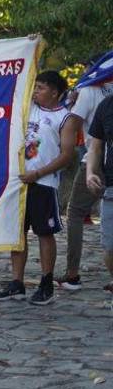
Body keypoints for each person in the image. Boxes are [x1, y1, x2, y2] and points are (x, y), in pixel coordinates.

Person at [0, 71, 80, 305]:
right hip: (19, 181)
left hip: (43, 183)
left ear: (54, 92)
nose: (36, 91)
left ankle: (46, 283)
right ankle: (16, 283)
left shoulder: (67, 118)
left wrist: (38, 173)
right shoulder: (28, 107)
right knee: (17, 233)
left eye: (41, 88)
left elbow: (67, 155)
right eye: (36, 87)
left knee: (44, 232)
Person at [56, 51, 113, 290]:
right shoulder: (108, 92)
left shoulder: (89, 92)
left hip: (93, 159)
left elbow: (72, 121)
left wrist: (63, 151)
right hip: (100, 159)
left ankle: (72, 273)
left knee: (76, 212)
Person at [84, 93, 113, 293]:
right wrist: (90, 172)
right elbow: (95, 146)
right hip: (111, 186)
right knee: (110, 246)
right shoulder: (107, 105)